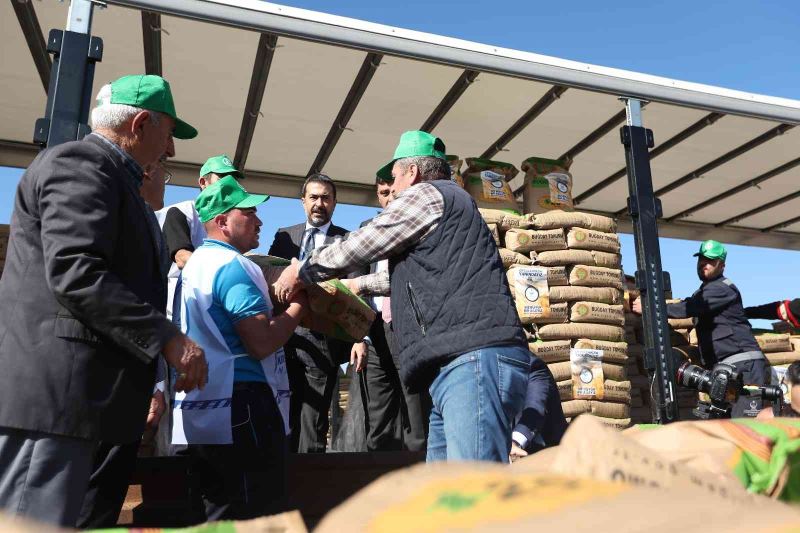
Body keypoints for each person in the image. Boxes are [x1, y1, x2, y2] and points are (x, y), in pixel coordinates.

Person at [0, 74, 208, 527]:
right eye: (169, 134)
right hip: (57, 405)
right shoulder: (82, 164)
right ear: (141, 124)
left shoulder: (110, 178)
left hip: (79, 405)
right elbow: (77, 272)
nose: (170, 151)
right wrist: (167, 337)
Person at [273, 130, 531, 463]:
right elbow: (415, 276)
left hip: (471, 361)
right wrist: (359, 286)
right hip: (458, 364)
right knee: (444, 490)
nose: (392, 188)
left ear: (413, 172)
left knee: (473, 489)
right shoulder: (451, 204)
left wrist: (303, 270)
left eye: (394, 177)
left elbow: (365, 241)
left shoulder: (426, 194)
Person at [173, 175, 307, 520]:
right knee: (257, 511)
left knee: (217, 512)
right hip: (243, 405)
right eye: (248, 212)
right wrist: (298, 307)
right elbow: (261, 342)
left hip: (203, 406)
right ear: (222, 222)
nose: (260, 220)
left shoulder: (195, 266)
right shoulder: (234, 266)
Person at [77, 161, 172, 528]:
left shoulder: (151, 225)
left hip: (133, 384)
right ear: (144, 174)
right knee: (88, 496)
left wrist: (157, 382)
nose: (166, 183)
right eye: (163, 174)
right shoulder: (118, 224)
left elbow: (153, 309)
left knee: (105, 494)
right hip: (103, 385)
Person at [267, 173, 353, 453]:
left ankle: (309, 485)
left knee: (314, 421)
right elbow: (270, 277)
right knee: (281, 414)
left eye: (326, 198)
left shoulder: (347, 240)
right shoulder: (283, 236)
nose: (319, 203)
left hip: (323, 340)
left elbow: (354, 289)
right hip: (283, 339)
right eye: (313, 197)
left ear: (335, 203)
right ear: (302, 201)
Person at [633, 239, 767, 418]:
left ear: (722, 265)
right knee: (726, 422)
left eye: (711, 260)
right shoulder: (704, 291)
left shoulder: (722, 289)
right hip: (727, 368)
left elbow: (688, 308)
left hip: (744, 367)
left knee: (745, 424)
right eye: (702, 259)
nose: (704, 263)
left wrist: (651, 307)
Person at [352, 175, 431, 451]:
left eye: (393, 192)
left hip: (408, 330)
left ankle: (418, 480)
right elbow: (355, 285)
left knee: (416, 414)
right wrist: (357, 336)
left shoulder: (417, 229)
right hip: (374, 336)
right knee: (379, 420)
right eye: (383, 193)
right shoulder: (366, 229)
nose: (390, 198)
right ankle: (382, 483)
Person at [158, 155, 244, 324]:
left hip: (217, 310)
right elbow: (182, 258)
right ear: (203, 183)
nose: (229, 185)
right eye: (223, 178)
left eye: (233, 180)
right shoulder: (182, 212)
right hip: (183, 313)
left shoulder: (230, 221)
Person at [509, 357, 568, 462]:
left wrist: (515, 442)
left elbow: (535, 407)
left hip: (544, 453)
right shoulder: (482, 367)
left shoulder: (533, 365)